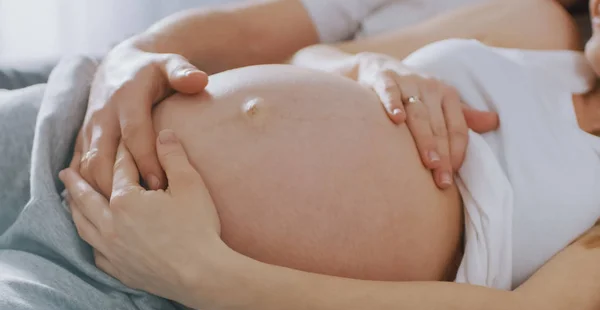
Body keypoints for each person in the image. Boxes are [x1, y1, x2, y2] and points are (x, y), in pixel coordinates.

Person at [61, 1, 600, 310]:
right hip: (88, 135)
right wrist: (364, 64)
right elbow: (310, 57)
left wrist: (201, 274)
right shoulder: (537, 24)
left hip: (163, 300)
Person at [74, 0, 577, 197]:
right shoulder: (529, 20)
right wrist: (128, 56)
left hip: (164, 264)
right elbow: (262, 36)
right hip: (108, 110)